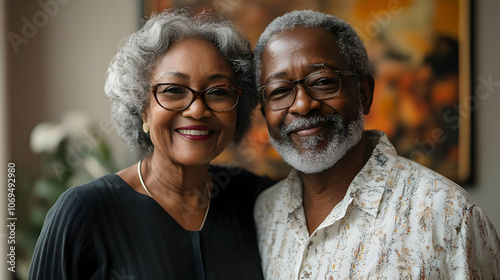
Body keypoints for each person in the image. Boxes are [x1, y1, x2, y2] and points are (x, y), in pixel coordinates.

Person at [253, 10, 500, 279]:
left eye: (323, 82)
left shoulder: (447, 214)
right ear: (265, 111)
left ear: (364, 93)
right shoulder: (264, 213)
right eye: (279, 91)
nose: (302, 105)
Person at [29, 9, 271, 279]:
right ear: (142, 107)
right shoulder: (83, 212)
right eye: (174, 90)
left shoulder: (256, 199)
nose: (197, 110)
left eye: (218, 92)